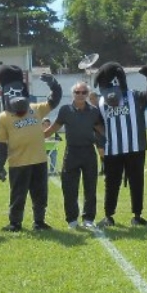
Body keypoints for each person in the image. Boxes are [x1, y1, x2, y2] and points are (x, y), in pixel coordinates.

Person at [0, 65, 62, 232]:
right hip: (18, 162)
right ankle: (15, 223)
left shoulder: (35, 109)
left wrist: (54, 84)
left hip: (39, 160)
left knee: (40, 194)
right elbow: (1, 144)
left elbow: (54, 100)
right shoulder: (3, 117)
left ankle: (39, 221)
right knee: (18, 195)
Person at [94, 62, 147, 227]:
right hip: (112, 149)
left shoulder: (134, 97)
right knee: (111, 183)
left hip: (135, 147)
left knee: (137, 182)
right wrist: (101, 143)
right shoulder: (101, 102)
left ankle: (137, 216)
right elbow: (97, 124)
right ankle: (108, 216)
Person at [44, 81, 105, 229]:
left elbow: (101, 130)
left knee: (90, 188)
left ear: (88, 94)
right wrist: (34, 138)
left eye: (84, 92)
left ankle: (88, 219)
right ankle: (72, 220)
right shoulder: (65, 110)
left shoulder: (94, 111)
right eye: (77, 92)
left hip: (89, 152)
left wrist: (106, 147)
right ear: (73, 94)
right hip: (71, 152)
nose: (80, 95)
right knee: (69, 188)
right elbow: (53, 128)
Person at [88, 90, 106, 176]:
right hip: (97, 134)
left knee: (104, 151)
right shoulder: (91, 109)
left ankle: (107, 168)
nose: (91, 100)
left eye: (92, 98)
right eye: (90, 99)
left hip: (103, 132)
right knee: (100, 151)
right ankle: (103, 168)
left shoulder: (102, 107)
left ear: (97, 98)